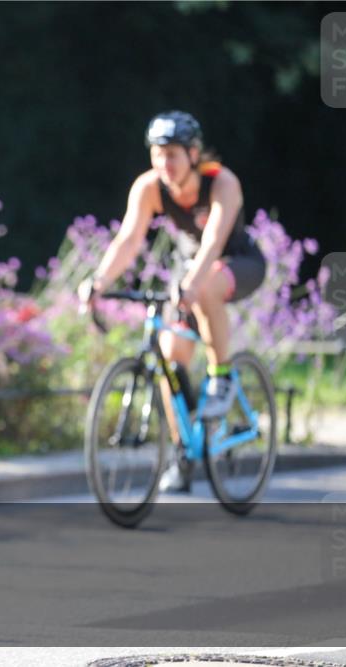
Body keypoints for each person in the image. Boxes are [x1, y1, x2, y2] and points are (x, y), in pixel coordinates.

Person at [78, 110, 266, 491]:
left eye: (173, 155)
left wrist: (192, 281)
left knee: (208, 284)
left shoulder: (222, 182)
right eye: (157, 154)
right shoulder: (149, 187)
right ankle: (184, 454)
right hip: (192, 270)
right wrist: (98, 282)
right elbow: (129, 240)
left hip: (238, 263)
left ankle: (222, 377)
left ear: (194, 154)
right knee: (169, 357)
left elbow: (214, 240)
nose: (164, 163)